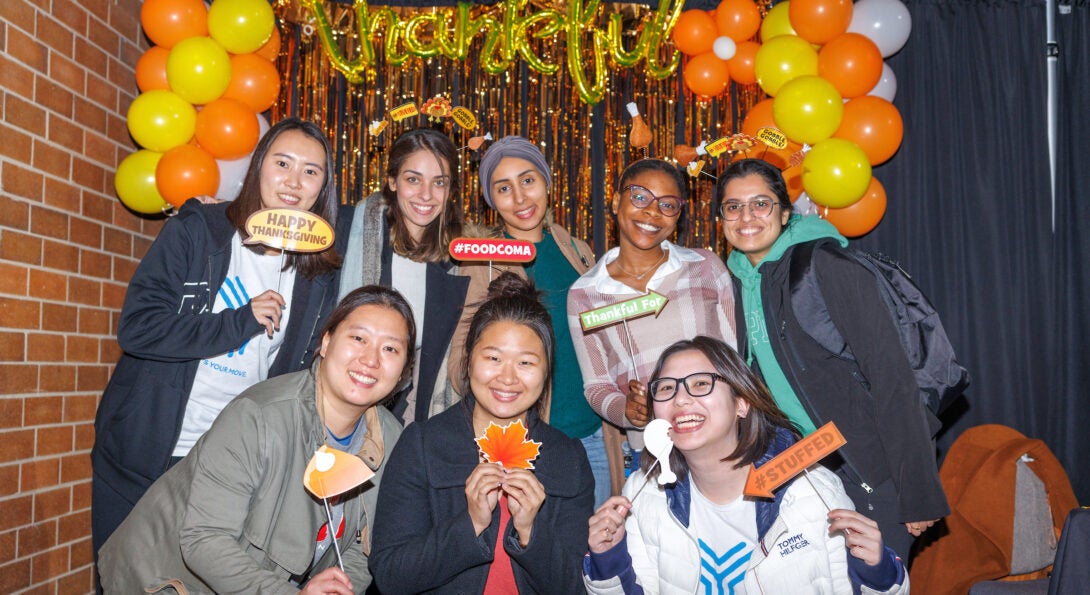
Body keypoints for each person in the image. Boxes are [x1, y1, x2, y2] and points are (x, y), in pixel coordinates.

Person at [91, 117, 350, 554]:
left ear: (322, 188)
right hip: (147, 451)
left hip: (231, 461)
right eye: (282, 163)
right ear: (258, 167)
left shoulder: (316, 273)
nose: (293, 181)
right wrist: (239, 320)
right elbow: (139, 329)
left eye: (311, 171)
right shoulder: (200, 231)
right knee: (126, 577)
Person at [97, 285, 413, 594]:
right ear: (327, 342)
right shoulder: (259, 416)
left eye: (390, 349)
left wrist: (341, 589)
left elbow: (366, 543)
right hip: (167, 579)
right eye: (358, 338)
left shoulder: (389, 438)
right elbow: (205, 539)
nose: (371, 359)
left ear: (402, 372)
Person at [717, 157, 948, 559]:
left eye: (761, 203)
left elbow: (893, 378)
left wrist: (918, 491)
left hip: (873, 469)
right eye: (733, 207)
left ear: (785, 212)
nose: (746, 216)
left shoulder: (824, 266)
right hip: (807, 474)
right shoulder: (739, 280)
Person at [583, 336, 909, 594]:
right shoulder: (643, 492)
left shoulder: (811, 490)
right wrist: (608, 560)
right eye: (666, 388)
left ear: (741, 403)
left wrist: (876, 570)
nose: (680, 400)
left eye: (700, 383)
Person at [370, 273, 594, 594]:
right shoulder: (423, 444)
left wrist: (530, 530)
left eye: (526, 362)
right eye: (493, 358)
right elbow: (391, 576)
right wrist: (471, 523)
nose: (507, 377)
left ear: (546, 372)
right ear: (469, 360)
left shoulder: (567, 456)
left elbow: (575, 586)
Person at [450, 135, 622, 506]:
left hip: (592, 430)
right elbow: (460, 360)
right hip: (526, 438)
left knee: (597, 547)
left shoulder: (577, 250)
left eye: (528, 180)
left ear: (547, 183)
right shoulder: (484, 259)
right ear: (491, 199)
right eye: (503, 188)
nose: (520, 197)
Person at [567, 159, 736, 479]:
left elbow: (735, 359)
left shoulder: (706, 267)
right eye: (640, 197)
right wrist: (629, 412)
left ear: (679, 215)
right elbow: (597, 387)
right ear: (616, 202)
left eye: (667, 204)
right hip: (652, 457)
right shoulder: (585, 294)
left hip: (722, 446)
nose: (652, 212)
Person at [339, 128, 470, 425]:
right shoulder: (348, 231)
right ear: (392, 181)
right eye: (413, 179)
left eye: (439, 183)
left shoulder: (458, 261)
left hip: (405, 419)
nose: (426, 195)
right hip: (338, 402)